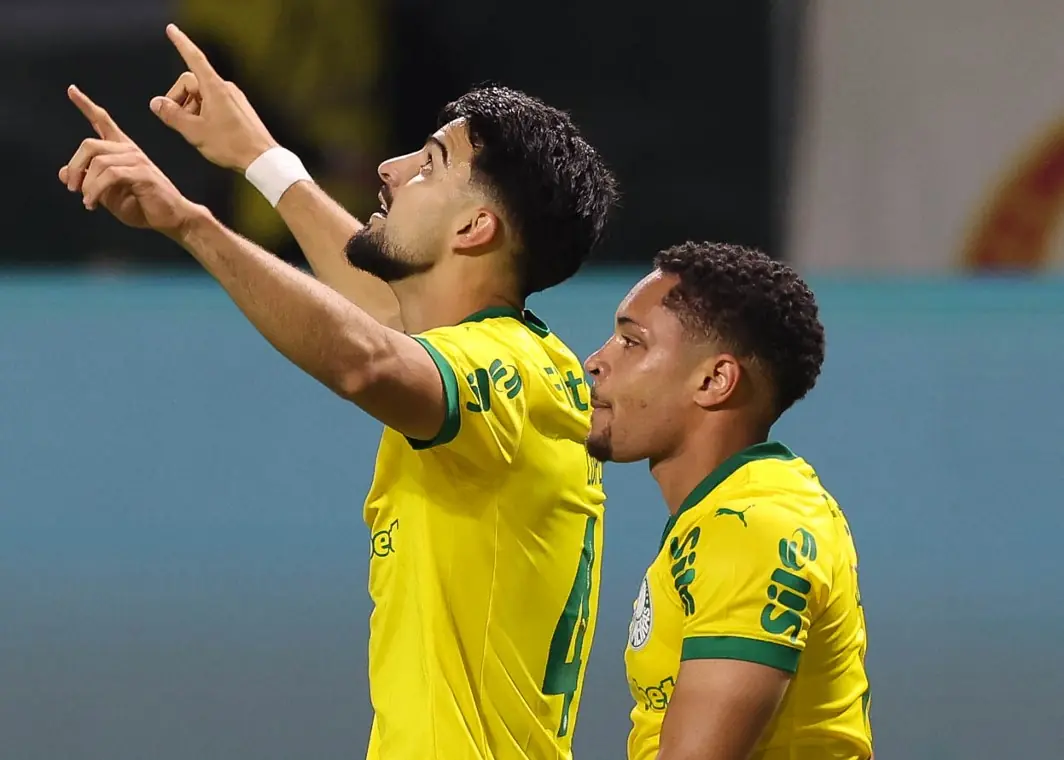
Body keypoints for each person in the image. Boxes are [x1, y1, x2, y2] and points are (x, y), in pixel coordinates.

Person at [58, 24, 618, 760]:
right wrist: (261, 157)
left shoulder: (511, 368)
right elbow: (381, 313)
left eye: (429, 165)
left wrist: (190, 223)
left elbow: (365, 360)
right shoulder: (508, 358)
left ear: (476, 227)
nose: (388, 168)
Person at [584, 242, 872, 760]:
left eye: (631, 342)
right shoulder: (734, 512)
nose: (595, 362)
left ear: (714, 381)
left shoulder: (750, 528)